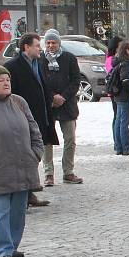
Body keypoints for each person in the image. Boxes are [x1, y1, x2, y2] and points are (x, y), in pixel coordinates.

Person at [0, 65, 44, 257]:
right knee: (0, 211)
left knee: (18, 212)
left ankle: (12, 246)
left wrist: (35, 153)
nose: (6, 83)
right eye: (0, 80)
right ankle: (3, 250)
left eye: (7, 80)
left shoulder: (19, 102)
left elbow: (34, 129)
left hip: (23, 167)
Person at [5, 32, 56, 208]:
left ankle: (29, 191)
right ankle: (24, 193)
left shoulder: (38, 63)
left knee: (35, 152)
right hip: (22, 119)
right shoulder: (13, 66)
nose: (39, 48)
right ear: (26, 47)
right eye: (36, 45)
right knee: (25, 156)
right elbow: (9, 94)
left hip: (40, 116)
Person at [40, 29, 83, 186]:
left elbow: (76, 80)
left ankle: (68, 172)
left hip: (67, 105)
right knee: (47, 141)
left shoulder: (69, 58)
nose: (51, 45)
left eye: (54, 42)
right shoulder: (40, 59)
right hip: (48, 106)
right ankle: (48, 173)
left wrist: (63, 97)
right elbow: (40, 82)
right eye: (48, 43)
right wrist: (51, 97)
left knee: (70, 139)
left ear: (59, 43)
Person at [111, 41, 129, 156]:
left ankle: (118, 146)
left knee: (118, 120)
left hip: (117, 94)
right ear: (127, 50)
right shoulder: (126, 63)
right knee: (124, 122)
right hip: (124, 95)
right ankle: (126, 146)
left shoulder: (117, 61)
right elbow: (126, 81)